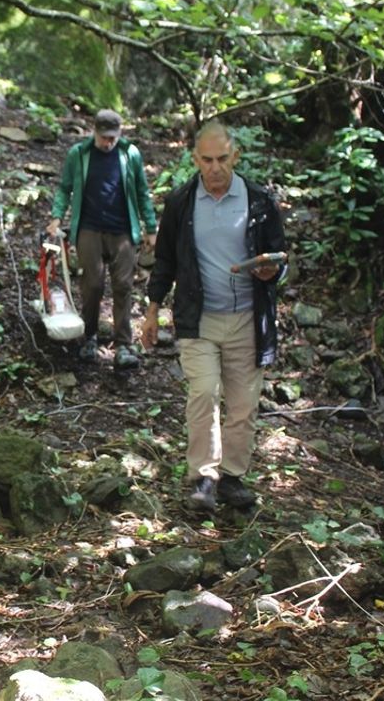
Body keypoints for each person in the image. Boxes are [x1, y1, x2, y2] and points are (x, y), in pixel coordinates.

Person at [142, 122, 287, 512]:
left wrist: (274, 272)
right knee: (204, 392)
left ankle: (233, 478)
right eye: (206, 160)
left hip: (247, 318)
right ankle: (203, 477)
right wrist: (153, 310)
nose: (215, 167)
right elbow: (166, 261)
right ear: (194, 159)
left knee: (243, 404)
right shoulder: (181, 203)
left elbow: (280, 257)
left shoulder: (259, 202)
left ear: (235, 156)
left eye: (222, 158)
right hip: (198, 317)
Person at [47, 109, 158, 369]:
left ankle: (123, 345)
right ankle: (90, 337)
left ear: (119, 134)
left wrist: (150, 228)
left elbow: (142, 192)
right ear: (94, 131)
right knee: (92, 285)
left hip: (122, 230)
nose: (108, 143)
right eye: (103, 137)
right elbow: (65, 188)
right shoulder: (79, 154)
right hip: (89, 229)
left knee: (123, 285)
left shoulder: (130, 154)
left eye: (113, 138)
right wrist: (56, 216)